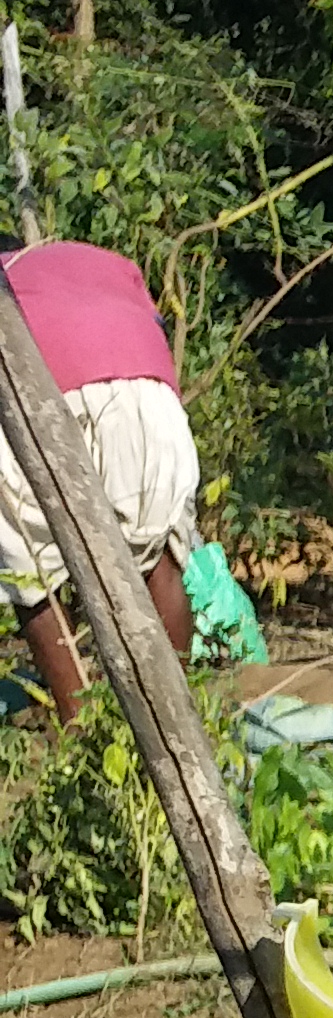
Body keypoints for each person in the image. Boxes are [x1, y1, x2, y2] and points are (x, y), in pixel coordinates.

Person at [1, 240, 199, 716]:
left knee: (32, 574)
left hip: (36, 389)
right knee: (160, 558)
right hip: (147, 390)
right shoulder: (104, 261)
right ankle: (184, 723)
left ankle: (81, 733)